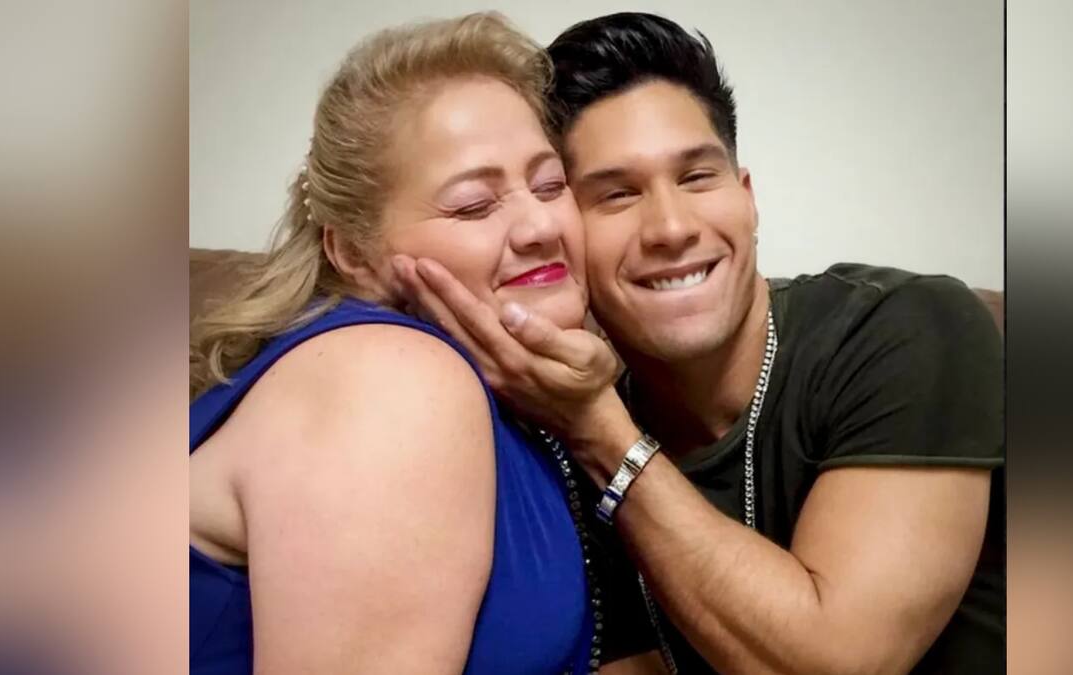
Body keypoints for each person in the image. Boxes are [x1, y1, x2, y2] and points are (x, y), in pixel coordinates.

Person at [392, 12, 1004, 675]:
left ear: (747, 198)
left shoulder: (907, 325)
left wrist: (600, 430)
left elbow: (839, 660)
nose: (671, 227)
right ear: (566, 231)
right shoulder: (559, 420)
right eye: (617, 194)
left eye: (696, 178)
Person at [188, 13, 609, 674]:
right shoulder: (390, 381)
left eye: (550, 185)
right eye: (473, 205)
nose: (540, 226)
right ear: (354, 254)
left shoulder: (521, 396)